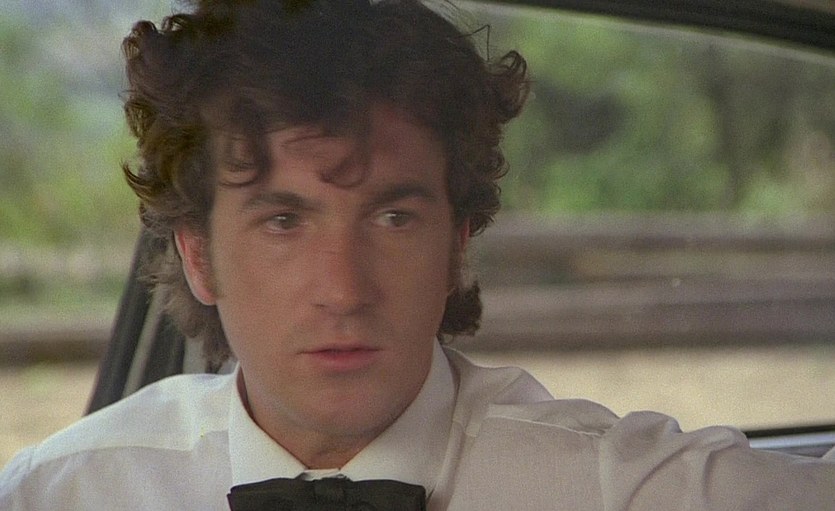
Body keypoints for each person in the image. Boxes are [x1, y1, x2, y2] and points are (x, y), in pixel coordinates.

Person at [2, 0, 834, 509]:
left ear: (455, 245)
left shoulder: (621, 487)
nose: (343, 289)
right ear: (199, 256)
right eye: (284, 221)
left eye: (393, 216)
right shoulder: (59, 492)